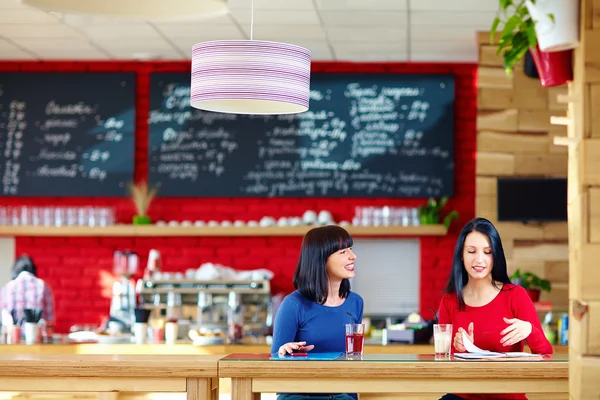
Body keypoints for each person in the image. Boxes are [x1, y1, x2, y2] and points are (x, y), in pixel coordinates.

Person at [437, 217, 553, 400]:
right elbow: (445, 365)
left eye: (487, 252)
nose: (479, 260)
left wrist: (530, 330)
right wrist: (460, 349)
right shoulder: (449, 301)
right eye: (471, 251)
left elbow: (546, 353)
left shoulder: (515, 295)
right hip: (464, 396)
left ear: (495, 255)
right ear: (461, 254)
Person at [271, 225, 364, 400]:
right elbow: (275, 368)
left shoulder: (355, 302)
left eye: (350, 249)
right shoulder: (293, 304)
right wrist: (284, 352)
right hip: (299, 395)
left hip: (342, 395)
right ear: (321, 259)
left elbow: (353, 362)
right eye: (343, 252)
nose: (353, 256)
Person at [0, 255, 55, 331]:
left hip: (12, 340)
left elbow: (2, 320)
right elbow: (49, 321)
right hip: (37, 339)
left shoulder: (6, 288)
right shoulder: (43, 286)